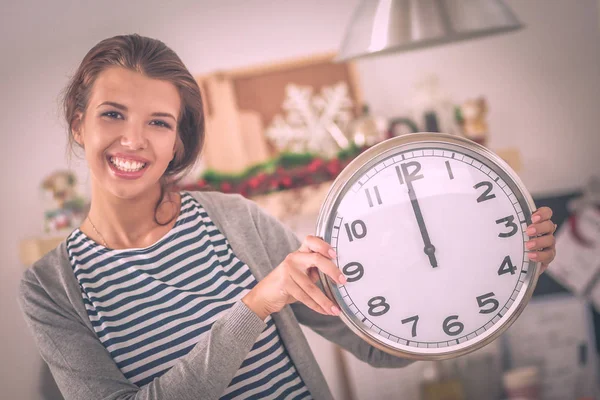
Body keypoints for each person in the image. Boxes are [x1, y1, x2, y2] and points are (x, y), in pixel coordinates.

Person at [18, 34, 557, 400]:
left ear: (178, 138)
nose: (133, 139)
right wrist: (255, 306)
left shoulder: (233, 220)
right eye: (113, 114)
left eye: (159, 122)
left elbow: (376, 342)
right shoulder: (51, 288)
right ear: (78, 122)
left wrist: (504, 266)